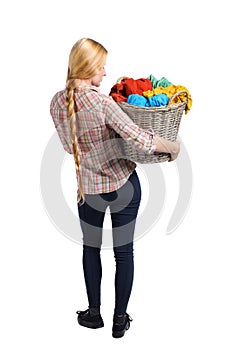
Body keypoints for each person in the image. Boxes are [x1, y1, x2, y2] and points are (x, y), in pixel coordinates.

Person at [50, 38, 180, 338]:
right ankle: (120, 321)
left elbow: (70, 149)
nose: (106, 72)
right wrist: (173, 148)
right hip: (123, 187)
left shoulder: (57, 102)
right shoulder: (102, 103)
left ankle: (94, 315)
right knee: (124, 254)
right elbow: (142, 139)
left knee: (90, 249)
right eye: (102, 66)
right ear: (90, 67)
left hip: (88, 191)